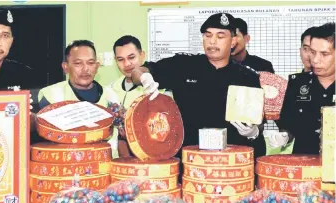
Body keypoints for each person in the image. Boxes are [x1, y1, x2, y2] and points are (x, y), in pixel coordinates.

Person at [131, 13, 266, 158]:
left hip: (229, 164)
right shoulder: (183, 65)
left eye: (220, 37)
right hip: (188, 160)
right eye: (207, 35)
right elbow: (138, 71)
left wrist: (253, 132)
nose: (212, 42)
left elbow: (258, 122)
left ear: (233, 41)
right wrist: (144, 77)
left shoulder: (248, 77)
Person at [269, 23, 335, 154]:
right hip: (303, 163)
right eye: (312, 52)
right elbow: (288, 125)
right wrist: (285, 136)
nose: (315, 60)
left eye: (324, 54)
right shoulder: (297, 83)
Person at [103, 35, 171, 157]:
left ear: (142, 55)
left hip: (149, 161)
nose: (127, 63)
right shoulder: (109, 90)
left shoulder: (159, 91)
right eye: (120, 59)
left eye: (131, 57)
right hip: (115, 164)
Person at [0, 9, 38, 133]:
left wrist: (28, 116)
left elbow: (36, 122)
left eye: (5, 36)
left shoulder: (24, 74)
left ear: (11, 41)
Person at [38, 40, 102, 108]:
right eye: (78, 63)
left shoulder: (110, 96)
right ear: (66, 67)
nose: (85, 69)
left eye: (90, 63)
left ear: (97, 67)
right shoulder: (52, 96)